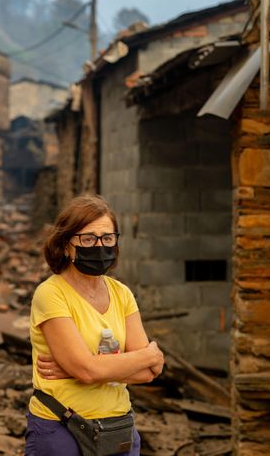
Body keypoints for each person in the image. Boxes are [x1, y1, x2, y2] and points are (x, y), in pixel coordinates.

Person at [25, 194, 165, 456]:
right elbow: (88, 370)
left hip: (117, 430)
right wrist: (147, 355)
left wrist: (79, 369)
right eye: (88, 239)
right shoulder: (51, 294)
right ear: (66, 245)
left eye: (107, 238)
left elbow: (147, 373)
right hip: (62, 429)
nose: (99, 246)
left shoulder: (122, 293)